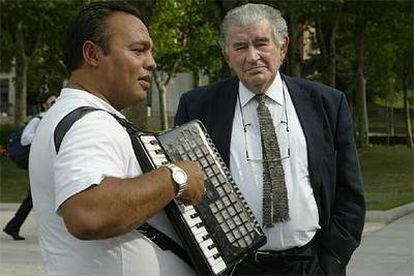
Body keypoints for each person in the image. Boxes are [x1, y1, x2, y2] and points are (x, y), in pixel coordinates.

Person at [175, 3, 365, 275]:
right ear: (227, 55)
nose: (253, 56)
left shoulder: (327, 103)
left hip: (310, 265)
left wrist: (332, 261)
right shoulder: (197, 107)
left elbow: (350, 194)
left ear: (283, 48)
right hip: (234, 268)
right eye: (240, 47)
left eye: (262, 44)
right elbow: (185, 196)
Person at [29, 2, 205, 275]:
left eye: (151, 51)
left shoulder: (76, 116)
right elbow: (88, 214)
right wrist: (177, 177)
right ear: (92, 54)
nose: (151, 62)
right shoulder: (90, 123)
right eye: (138, 50)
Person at [3, 92, 57, 241]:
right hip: (38, 163)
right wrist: (44, 136)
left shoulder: (52, 119)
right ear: (44, 105)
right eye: (52, 102)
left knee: (33, 197)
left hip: (46, 162)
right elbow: (26, 139)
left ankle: (13, 226)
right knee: (45, 195)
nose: (55, 104)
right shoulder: (38, 120)